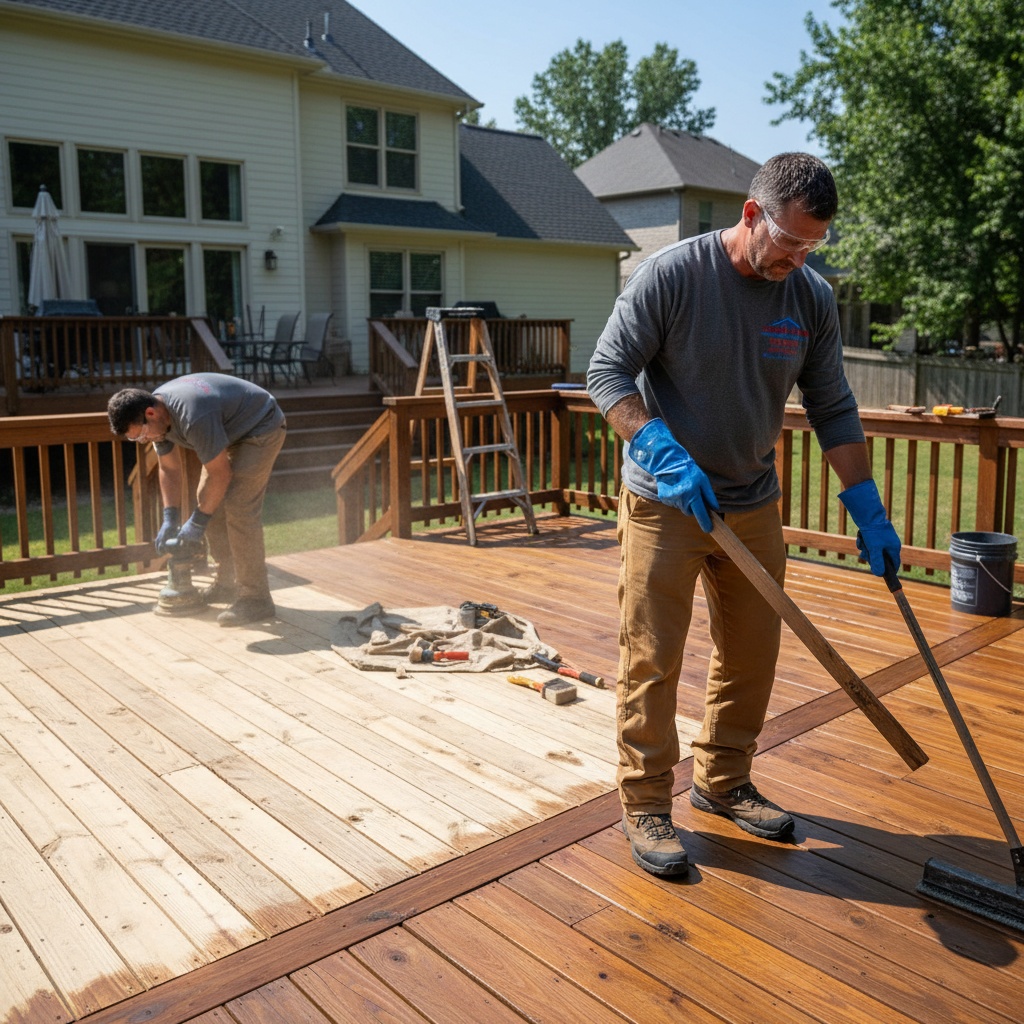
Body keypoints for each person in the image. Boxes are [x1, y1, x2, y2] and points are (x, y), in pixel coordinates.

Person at [586, 153, 901, 878]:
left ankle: (723, 783)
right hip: (666, 501)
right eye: (789, 242)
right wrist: (659, 446)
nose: (798, 258)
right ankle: (645, 802)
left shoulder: (809, 299)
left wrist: (868, 507)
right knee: (652, 656)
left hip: (751, 502)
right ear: (752, 215)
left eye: (812, 246)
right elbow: (606, 373)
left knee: (752, 654)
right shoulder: (673, 275)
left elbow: (833, 406)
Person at [107, 373, 287, 627]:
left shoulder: (193, 415)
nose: (143, 440)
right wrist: (170, 517)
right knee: (207, 501)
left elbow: (221, 474)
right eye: (135, 439)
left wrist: (197, 523)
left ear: (150, 413)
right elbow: (169, 469)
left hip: (260, 425)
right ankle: (227, 582)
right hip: (228, 428)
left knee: (238, 506)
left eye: (140, 435)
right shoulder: (157, 418)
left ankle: (256, 598)